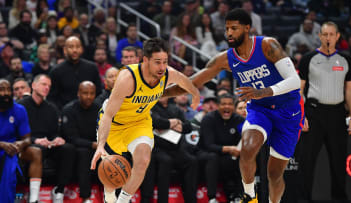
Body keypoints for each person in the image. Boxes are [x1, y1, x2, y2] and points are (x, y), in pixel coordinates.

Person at [164, 8, 304, 203]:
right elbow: (193, 82)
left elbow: (294, 81)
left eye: (234, 28)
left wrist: (262, 92)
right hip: (260, 109)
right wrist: (158, 92)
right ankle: (249, 196)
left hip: (288, 109)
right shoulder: (225, 59)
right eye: (227, 28)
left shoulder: (267, 46)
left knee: (274, 173)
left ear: (247, 28)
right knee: (247, 147)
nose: (229, 33)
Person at [90, 38, 200, 203]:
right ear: (145, 60)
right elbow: (108, 115)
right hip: (115, 124)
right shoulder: (128, 79)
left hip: (139, 122)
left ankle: (123, 200)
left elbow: (185, 81)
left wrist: (196, 94)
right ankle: (109, 193)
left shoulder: (167, 73)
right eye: (157, 62)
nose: (162, 67)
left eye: (165, 61)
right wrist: (100, 144)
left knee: (143, 160)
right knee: (112, 169)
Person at [298, 21, 351, 201]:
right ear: (320, 36)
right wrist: (301, 115)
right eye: (325, 34)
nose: (328, 37)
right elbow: (299, 89)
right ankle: (304, 198)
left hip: (337, 114)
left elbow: (350, 89)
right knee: (307, 161)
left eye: (332, 34)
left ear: (338, 36)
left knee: (339, 162)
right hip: (314, 113)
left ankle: (339, 198)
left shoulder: (345, 59)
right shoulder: (308, 58)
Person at [19, 74, 76, 203]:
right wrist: (35, 140)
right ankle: (34, 198)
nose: (47, 88)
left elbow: (53, 133)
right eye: (44, 84)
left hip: (47, 144)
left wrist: (57, 139)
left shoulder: (52, 108)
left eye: (49, 86)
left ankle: (59, 191)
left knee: (68, 149)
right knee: (37, 150)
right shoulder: (21, 106)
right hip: (29, 144)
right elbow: (18, 133)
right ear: (33, 85)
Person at [0, 79, 41, 203]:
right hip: (2, 147)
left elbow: (27, 138)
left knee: (36, 152)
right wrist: (1, 144)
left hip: (13, 149)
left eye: (8, 89)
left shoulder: (19, 109)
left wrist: (21, 144)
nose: (6, 93)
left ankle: (34, 199)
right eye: (2, 89)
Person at [199, 93, 245, 202]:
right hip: (205, 153)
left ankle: (239, 196)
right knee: (213, 157)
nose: (227, 107)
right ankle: (212, 198)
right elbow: (208, 145)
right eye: (223, 104)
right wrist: (229, 149)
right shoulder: (208, 119)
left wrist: (239, 150)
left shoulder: (239, 120)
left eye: (230, 104)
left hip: (229, 155)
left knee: (243, 158)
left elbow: (244, 141)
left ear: (233, 107)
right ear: (218, 106)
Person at [62, 81, 100, 203]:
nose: (88, 96)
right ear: (78, 93)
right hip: (77, 146)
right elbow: (70, 137)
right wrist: (92, 144)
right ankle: (86, 197)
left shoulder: (100, 109)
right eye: (85, 93)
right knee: (84, 153)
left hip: (97, 145)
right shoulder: (69, 109)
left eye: (92, 93)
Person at [49, 36, 102, 109]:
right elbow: (52, 98)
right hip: (65, 114)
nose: (75, 50)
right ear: (65, 50)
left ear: (82, 49)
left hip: (90, 112)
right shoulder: (56, 71)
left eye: (77, 47)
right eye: (71, 47)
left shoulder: (92, 68)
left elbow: (99, 93)